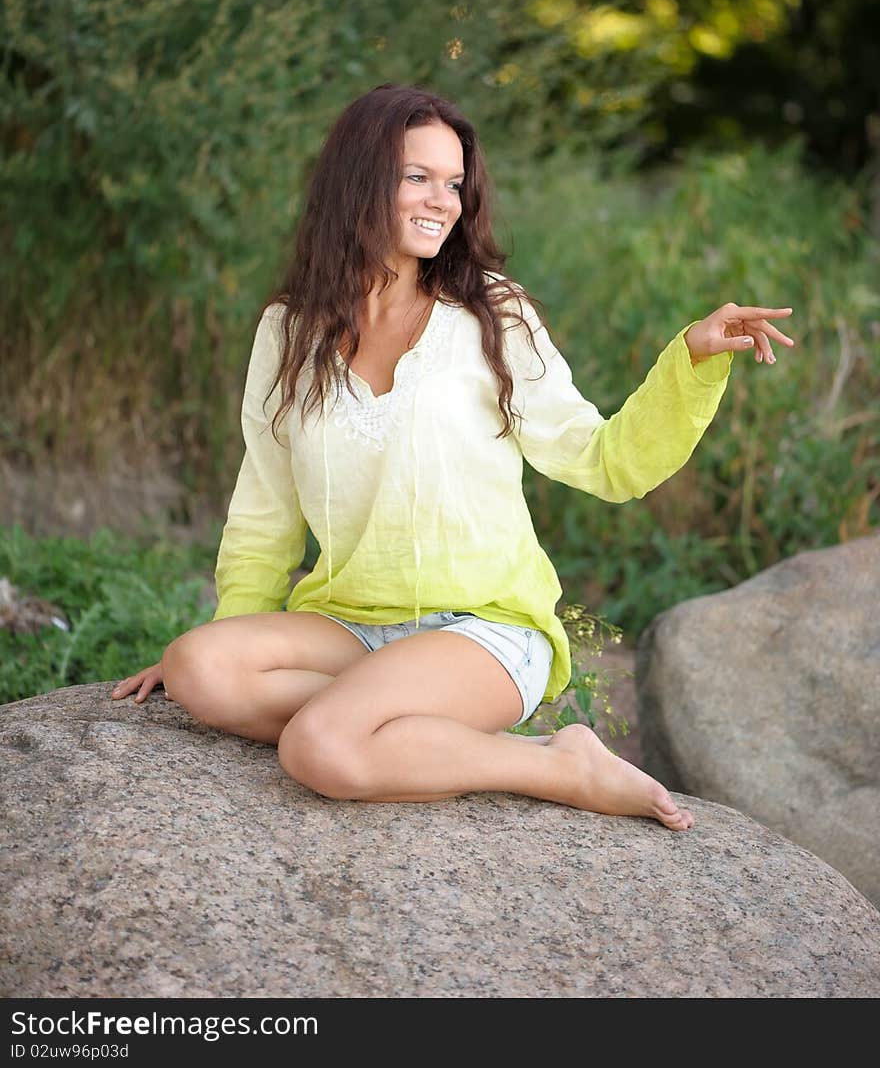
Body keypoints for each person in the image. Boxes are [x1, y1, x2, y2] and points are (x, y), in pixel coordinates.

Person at [111, 83, 795, 830]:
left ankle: (558, 760)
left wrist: (689, 362)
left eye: (455, 183)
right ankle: (405, 728)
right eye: (418, 177)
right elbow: (265, 512)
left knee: (321, 747)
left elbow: (606, 461)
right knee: (196, 668)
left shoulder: (491, 316)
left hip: (484, 630)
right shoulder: (288, 332)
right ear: (360, 181)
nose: (444, 200)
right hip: (349, 625)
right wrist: (230, 638)